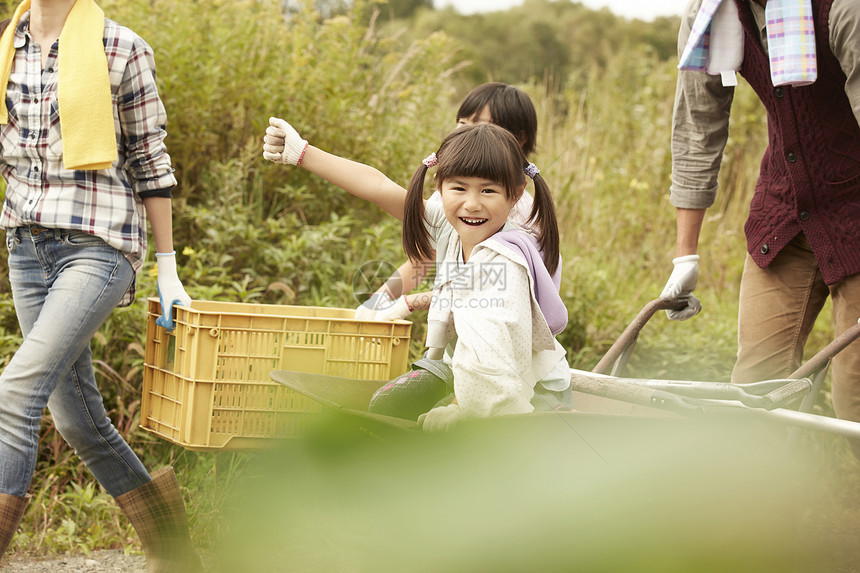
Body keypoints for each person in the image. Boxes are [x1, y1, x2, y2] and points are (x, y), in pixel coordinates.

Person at [0, 0, 201, 569]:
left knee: (15, 391)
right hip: (26, 247)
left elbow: (149, 160)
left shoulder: (122, 47)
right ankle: (175, 551)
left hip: (100, 245)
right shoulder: (2, 47)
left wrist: (167, 267)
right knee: (76, 418)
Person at [263, 121, 571, 430]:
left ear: (515, 195)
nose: (472, 203)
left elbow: (494, 358)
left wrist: (461, 409)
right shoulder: (450, 225)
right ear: (439, 186)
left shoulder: (501, 261)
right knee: (391, 403)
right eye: (459, 188)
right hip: (469, 367)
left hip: (528, 388)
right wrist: (303, 152)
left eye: (488, 190)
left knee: (443, 430)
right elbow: (379, 188)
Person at [660, 0, 860, 454]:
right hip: (786, 215)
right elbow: (697, 128)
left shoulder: (845, 9)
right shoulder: (711, 12)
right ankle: (759, 515)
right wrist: (685, 255)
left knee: (856, 394)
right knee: (754, 387)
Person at [352, 82, 539, 322]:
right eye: (463, 123)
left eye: (483, 126)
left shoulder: (516, 212)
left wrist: (407, 303)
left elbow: (484, 290)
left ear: (519, 138)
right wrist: (377, 303)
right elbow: (425, 257)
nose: (468, 133)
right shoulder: (455, 196)